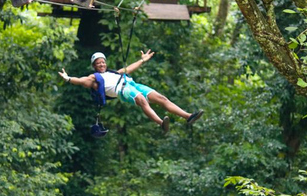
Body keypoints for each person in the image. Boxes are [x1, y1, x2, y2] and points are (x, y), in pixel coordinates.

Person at [59, 50, 204, 135]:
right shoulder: (94, 79)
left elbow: (128, 69)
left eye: (103, 62)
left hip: (131, 84)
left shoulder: (112, 72)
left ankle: (188, 116)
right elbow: (81, 80)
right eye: (98, 63)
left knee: (161, 98)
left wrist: (142, 60)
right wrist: (68, 78)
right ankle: (161, 123)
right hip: (122, 90)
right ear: (94, 66)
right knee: (141, 100)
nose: (102, 64)